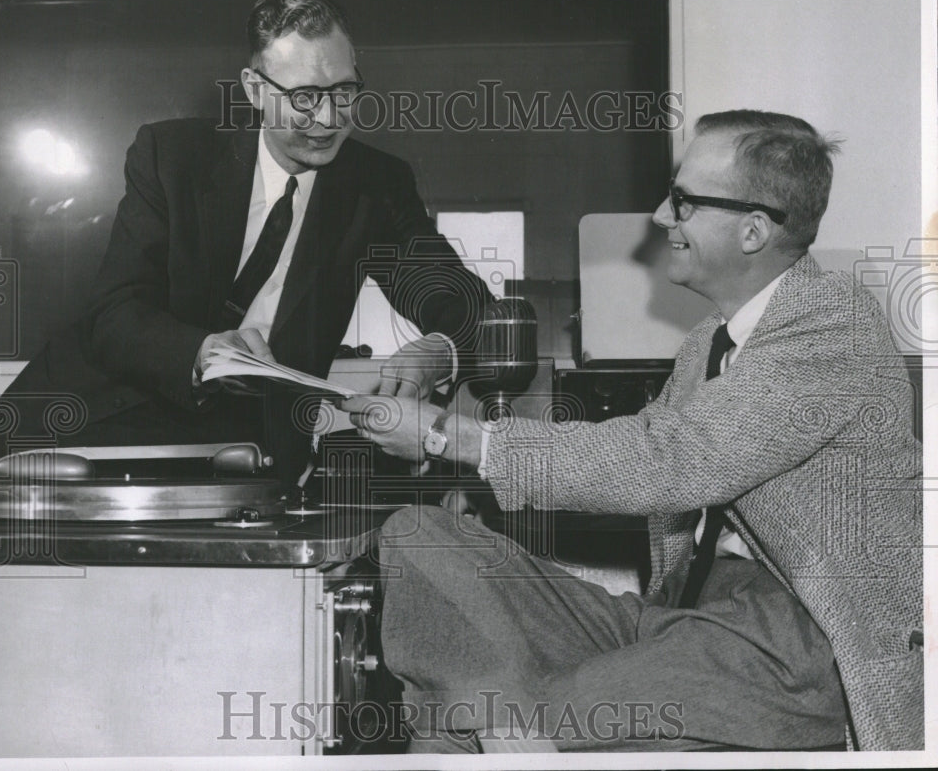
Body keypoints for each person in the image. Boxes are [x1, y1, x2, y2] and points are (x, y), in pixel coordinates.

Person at [341, 111, 923, 753]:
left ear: (753, 230)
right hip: (679, 620)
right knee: (419, 539)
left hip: (789, 649)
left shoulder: (834, 326)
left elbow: (666, 461)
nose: (658, 216)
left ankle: (504, 726)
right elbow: (645, 458)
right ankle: (500, 720)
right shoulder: (709, 340)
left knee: (485, 730)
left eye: (682, 201)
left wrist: (450, 437)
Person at [0, 0, 489, 482]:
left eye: (344, 92)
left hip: (242, 450)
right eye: (305, 97)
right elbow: (115, 313)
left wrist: (440, 350)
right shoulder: (169, 157)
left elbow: (475, 308)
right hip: (82, 419)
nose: (328, 119)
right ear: (255, 89)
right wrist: (203, 352)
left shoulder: (375, 186)